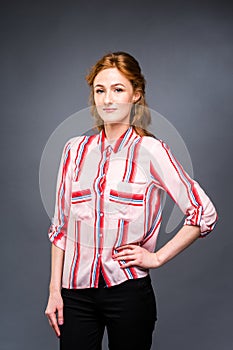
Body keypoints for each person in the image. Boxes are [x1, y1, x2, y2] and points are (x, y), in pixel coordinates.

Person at [45, 51, 218, 350]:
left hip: (127, 293)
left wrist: (157, 258)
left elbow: (203, 212)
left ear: (136, 95)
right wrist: (54, 291)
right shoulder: (73, 150)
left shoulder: (151, 151)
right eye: (100, 90)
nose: (107, 99)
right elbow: (61, 229)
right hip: (74, 294)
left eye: (118, 89)